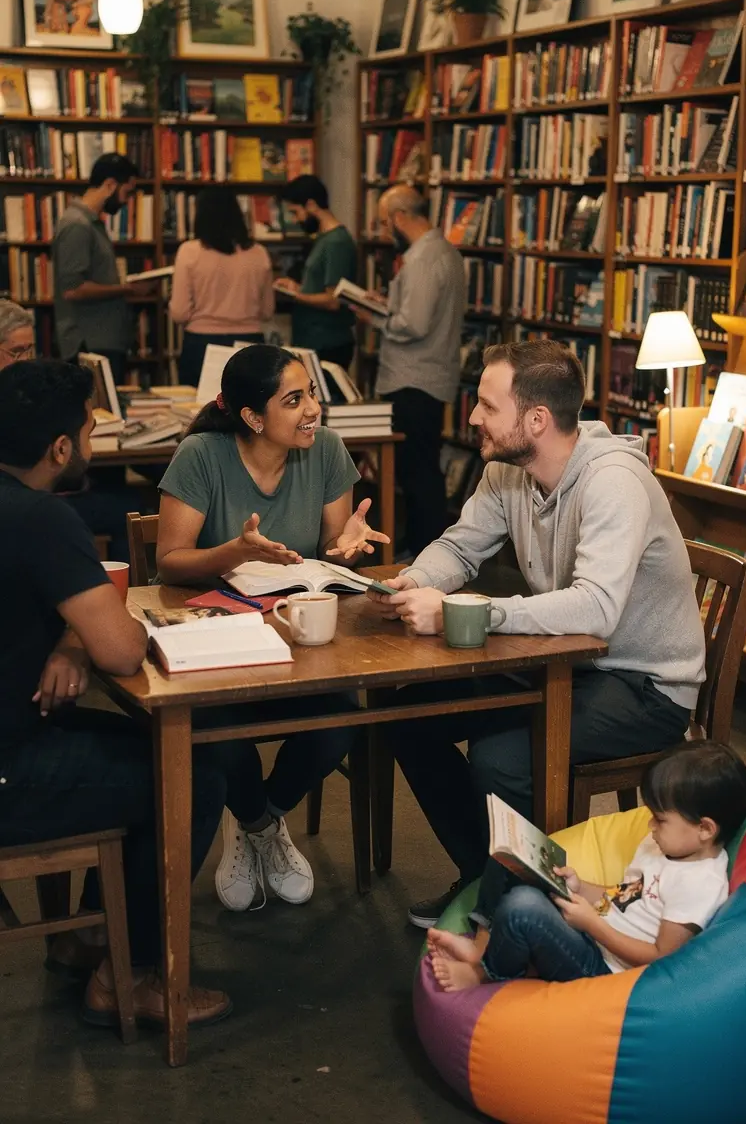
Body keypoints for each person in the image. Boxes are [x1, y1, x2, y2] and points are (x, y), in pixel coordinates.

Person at [368, 339, 706, 927]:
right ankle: (490, 880)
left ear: (536, 420)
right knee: (410, 717)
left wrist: (463, 613)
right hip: (564, 663)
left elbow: (596, 608)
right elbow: (460, 544)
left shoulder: (612, 482)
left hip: (644, 685)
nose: (472, 417)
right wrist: (412, 582)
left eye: (486, 406)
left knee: (501, 761)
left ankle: (514, 907)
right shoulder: (508, 472)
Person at [0, 359, 231, 1028]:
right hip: (13, 772)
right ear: (61, 449)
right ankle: (129, 977)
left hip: (17, 743)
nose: (96, 443)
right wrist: (89, 634)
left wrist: (67, 642)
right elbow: (124, 649)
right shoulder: (42, 520)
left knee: (139, 747)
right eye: (91, 430)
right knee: (191, 774)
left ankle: (101, 937)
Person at [156, 344, 389, 911]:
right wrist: (233, 550)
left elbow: (334, 551)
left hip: (300, 633)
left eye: (312, 393)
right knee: (211, 727)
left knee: (342, 721)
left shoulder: (327, 449)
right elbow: (170, 560)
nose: (313, 408)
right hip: (220, 634)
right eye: (294, 399)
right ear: (252, 418)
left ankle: (260, 820)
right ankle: (261, 828)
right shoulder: (201, 454)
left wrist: (350, 547)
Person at [428, 741, 746, 991]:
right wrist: (579, 886)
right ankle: (481, 946)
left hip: (603, 969)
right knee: (509, 858)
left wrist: (593, 926)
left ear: (705, 829)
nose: (651, 826)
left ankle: (483, 973)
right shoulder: (661, 846)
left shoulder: (699, 883)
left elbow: (661, 958)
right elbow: (623, 897)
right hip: (590, 933)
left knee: (522, 906)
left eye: (660, 819)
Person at [354, 184, 466, 558]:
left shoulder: (421, 259)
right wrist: (389, 304)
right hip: (433, 374)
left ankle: (423, 548)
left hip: (413, 377)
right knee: (423, 466)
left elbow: (413, 325)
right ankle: (424, 544)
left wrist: (375, 317)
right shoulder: (445, 252)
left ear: (400, 217)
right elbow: (423, 313)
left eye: (387, 223)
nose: (387, 232)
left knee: (417, 472)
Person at [0, 300, 136, 563]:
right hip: (24, 502)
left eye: (30, 350)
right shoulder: (13, 396)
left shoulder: (21, 389)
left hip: (26, 496)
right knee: (126, 506)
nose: (26, 361)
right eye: (17, 351)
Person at [52, 153, 149, 383]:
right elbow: (73, 289)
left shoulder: (92, 223)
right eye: (127, 192)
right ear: (110, 185)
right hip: (89, 344)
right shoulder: (77, 225)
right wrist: (128, 289)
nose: (127, 201)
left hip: (100, 341)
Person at [170, 188, 275, 387]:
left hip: (201, 342)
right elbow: (267, 311)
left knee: (200, 411)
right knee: (249, 409)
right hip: (250, 343)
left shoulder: (189, 251)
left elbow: (179, 312)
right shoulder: (259, 253)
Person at [275, 175, 358, 369]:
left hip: (327, 342)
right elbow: (319, 286)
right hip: (314, 339)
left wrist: (296, 296)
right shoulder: (324, 238)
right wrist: (297, 288)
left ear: (311, 205)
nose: (296, 220)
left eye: (296, 212)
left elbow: (333, 300)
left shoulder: (336, 242)